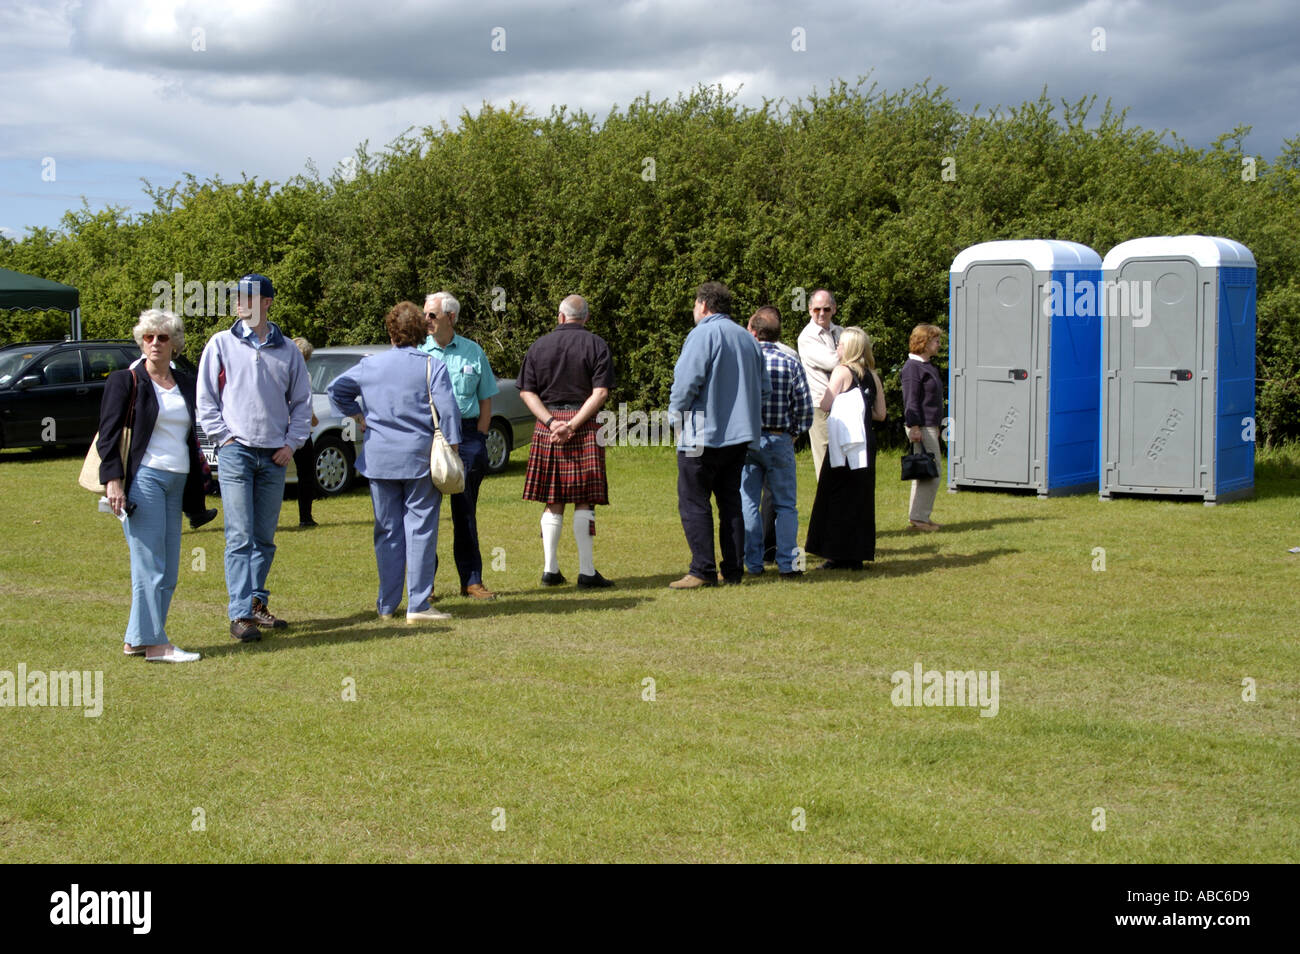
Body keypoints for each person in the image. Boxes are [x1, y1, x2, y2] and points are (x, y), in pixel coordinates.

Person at [196, 273, 312, 643]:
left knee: (264, 537)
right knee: (239, 535)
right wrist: (226, 440)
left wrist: (291, 444)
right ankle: (240, 613)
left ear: (266, 302)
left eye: (246, 296)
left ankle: (257, 603)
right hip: (236, 454)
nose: (237, 303)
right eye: (235, 297)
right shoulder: (220, 344)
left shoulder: (289, 351)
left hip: (275, 457)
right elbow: (205, 402)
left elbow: (302, 404)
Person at [329, 302, 461, 622]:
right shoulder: (433, 366)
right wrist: (454, 450)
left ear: (390, 331)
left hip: (379, 459)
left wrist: (358, 414)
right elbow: (449, 414)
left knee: (387, 531)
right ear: (421, 331)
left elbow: (336, 391)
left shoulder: (369, 365)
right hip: (419, 458)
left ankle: (387, 605)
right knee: (420, 530)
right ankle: (418, 604)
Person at [99, 309, 207, 662]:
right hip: (144, 478)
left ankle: (136, 639)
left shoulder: (186, 382)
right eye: (148, 337)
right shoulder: (125, 380)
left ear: (175, 343)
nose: (155, 343)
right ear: (140, 341)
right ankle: (156, 644)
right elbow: (109, 436)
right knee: (150, 565)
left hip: (178, 481)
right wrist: (113, 481)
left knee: (169, 568)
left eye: (162, 337)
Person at [667, 282, 769, 589]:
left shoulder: (702, 334)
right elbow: (764, 388)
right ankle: (734, 570)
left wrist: (674, 417)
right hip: (739, 437)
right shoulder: (748, 338)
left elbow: (686, 383)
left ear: (703, 304)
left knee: (694, 501)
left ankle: (702, 570)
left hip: (701, 435)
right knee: (730, 503)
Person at [516, 294, 614, 589]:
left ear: (560, 317)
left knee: (553, 498)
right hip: (583, 425)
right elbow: (600, 393)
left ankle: (550, 570)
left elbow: (526, 392)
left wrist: (550, 423)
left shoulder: (539, 346)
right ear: (585, 318)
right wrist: (572, 424)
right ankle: (586, 572)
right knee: (584, 498)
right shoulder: (597, 344)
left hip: (549, 426)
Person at [420, 292, 498, 600]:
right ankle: (426, 586)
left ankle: (472, 581)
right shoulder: (419, 352)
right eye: (425, 314)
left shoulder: (473, 352)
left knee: (465, 513)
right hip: (428, 436)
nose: (426, 320)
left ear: (450, 318)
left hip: (466, 437)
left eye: (432, 315)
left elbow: (486, 398)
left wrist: (479, 438)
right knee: (426, 514)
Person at [740, 306, 813, 578]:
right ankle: (788, 564)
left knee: (748, 502)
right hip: (779, 437)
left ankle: (754, 564)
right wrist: (793, 432)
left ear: (754, 331)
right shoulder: (791, 362)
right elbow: (805, 408)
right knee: (785, 505)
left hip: (747, 439)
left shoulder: (743, 362)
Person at [804, 327, 886, 570]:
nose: (836, 348)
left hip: (845, 442)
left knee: (836, 495)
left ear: (848, 347)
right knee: (860, 497)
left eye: (839, 344)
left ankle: (835, 553)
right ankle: (857, 554)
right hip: (866, 441)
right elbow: (881, 414)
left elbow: (826, 402)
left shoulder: (841, 371)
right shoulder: (874, 375)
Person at [902, 323, 946, 531]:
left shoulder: (927, 366)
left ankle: (918, 517)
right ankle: (919, 519)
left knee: (923, 473)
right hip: (920, 426)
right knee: (932, 473)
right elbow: (911, 400)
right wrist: (915, 427)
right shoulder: (913, 368)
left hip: (929, 426)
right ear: (924, 342)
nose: (939, 344)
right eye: (935, 340)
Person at [797, 289, 843, 481]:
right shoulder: (807, 337)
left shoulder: (839, 331)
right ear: (809, 310)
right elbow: (833, 362)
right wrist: (845, 352)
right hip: (820, 405)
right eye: (817, 310)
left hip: (842, 402)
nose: (821, 314)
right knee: (825, 458)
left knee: (842, 457)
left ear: (834, 308)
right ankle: (825, 506)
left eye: (825, 309)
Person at [290, 336, 321, 528]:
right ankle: (305, 517)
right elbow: (304, 405)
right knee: (306, 475)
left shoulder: (278, 371)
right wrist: (313, 418)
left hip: (280, 430)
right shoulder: (305, 376)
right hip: (300, 431)